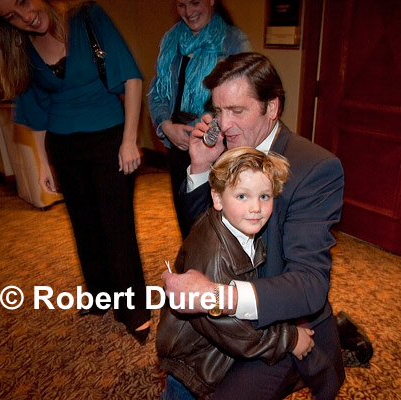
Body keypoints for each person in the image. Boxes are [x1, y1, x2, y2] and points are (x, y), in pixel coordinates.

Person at [161, 52, 349, 399]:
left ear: (272, 107)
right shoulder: (222, 151)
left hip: (279, 318)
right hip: (217, 311)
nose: (224, 124)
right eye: (218, 111)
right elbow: (204, 237)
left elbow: (309, 284)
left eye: (237, 111)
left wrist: (220, 296)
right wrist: (202, 167)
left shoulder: (315, 168)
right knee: (180, 371)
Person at [0, 0, 150, 342]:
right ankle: (101, 295)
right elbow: (36, 108)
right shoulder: (20, 45)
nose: (25, 17)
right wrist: (44, 162)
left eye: (24, 2)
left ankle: (133, 308)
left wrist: (130, 140)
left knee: (116, 226)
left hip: (108, 138)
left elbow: (131, 78)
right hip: (63, 145)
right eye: (11, 16)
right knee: (84, 226)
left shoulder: (87, 16)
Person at [158, 146, 329, 399]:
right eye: (242, 196)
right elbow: (231, 329)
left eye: (264, 196)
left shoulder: (243, 227)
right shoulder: (214, 256)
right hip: (193, 366)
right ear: (217, 198)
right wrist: (289, 339)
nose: (255, 208)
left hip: (215, 355)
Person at [148, 0, 251, 239]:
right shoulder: (171, 40)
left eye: (195, 2)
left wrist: (208, 137)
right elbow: (157, 91)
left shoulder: (233, 40)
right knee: (186, 218)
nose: (189, 12)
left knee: (215, 223)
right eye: (182, 5)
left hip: (215, 146)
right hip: (176, 141)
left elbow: (242, 99)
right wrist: (166, 126)